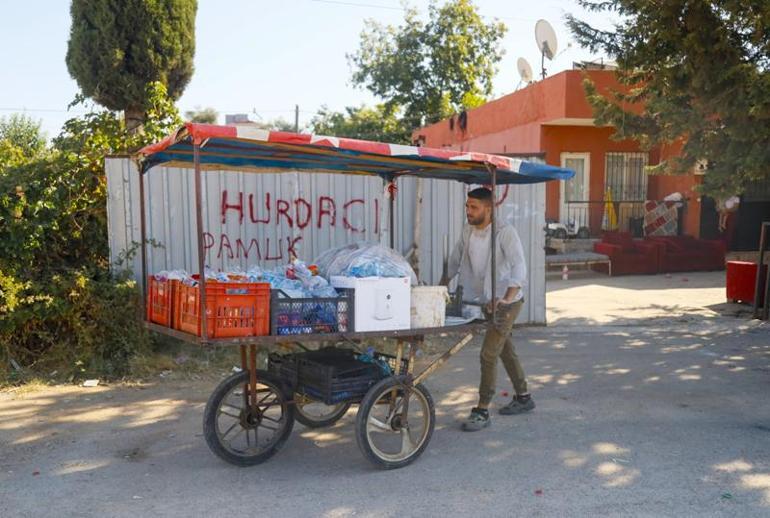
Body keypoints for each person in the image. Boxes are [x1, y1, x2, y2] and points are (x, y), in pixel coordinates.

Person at [446, 187, 534, 431]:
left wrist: (506, 298)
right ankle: (524, 397)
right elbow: (455, 259)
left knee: (488, 353)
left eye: (474, 207)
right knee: (504, 349)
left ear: (489, 208)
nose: (468, 211)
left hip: (507, 301)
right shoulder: (468, 230)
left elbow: (519, 268)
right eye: (467, 206)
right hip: (485, 299)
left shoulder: (505, 232)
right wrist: (442, 284)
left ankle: (482, 409)